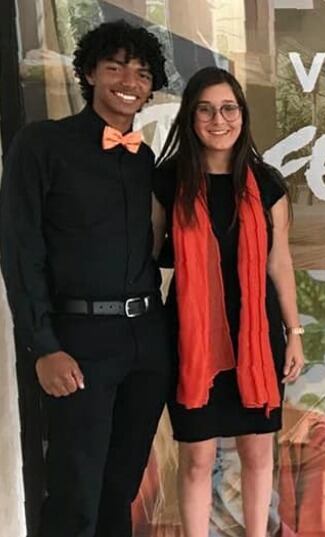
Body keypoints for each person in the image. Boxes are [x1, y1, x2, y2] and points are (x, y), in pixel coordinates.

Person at [0, 20, 171, 537]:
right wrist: (43, 346)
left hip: (146, 341)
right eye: (115, 67)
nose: (129, 81)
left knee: (121, 489)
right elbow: (20, 250)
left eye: (142, 73)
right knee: (75, 493)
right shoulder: (42, 144)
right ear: (90, 73)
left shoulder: (143, 157)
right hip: (79, 342)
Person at [154, 67, 305, 537]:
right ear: (190, 117)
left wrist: (295, 333)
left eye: (228, 109)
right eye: (205, 110)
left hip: (257, 335)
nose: (218, 120)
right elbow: (145, 259)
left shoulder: (267, 184)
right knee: (197, 457)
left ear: (242, 114)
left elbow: (280, 263)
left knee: (257, 452)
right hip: (191, 337)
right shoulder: (167, 182)